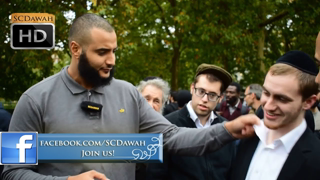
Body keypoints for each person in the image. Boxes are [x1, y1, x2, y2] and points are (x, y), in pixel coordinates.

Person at [2, 14, 259, 180]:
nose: (111, 60)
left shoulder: (128, 94)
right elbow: (13, 172)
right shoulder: (34, 99)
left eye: (114, 51)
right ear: (75, 49)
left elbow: (173, 138)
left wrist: (227, 130)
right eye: (102, 52)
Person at [230, 50, 320, 180]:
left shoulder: (315, 160)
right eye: (266, 93)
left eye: (282, 99)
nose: (268, 106)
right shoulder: (248, 137)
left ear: (308, 102)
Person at [147, 64, 236, 180]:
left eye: (212, 95)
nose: (205, 99)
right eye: (201, 91)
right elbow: (155, 174)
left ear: (220, 98)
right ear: (192, 88)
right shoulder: (166, 125)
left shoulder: (227, 129)